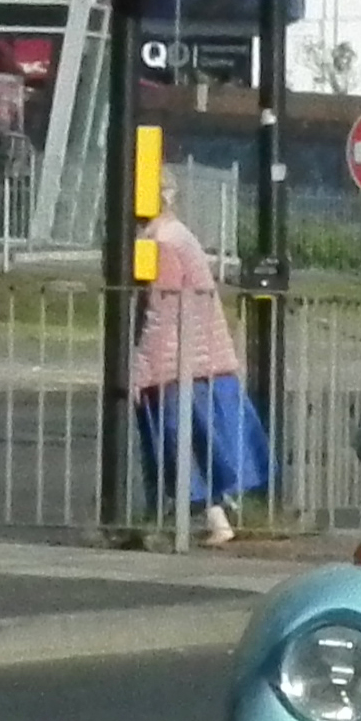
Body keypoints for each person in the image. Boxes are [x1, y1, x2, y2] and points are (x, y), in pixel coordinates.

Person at [131, 168, 270, 544]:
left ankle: (182, 522)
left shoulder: (161, 243)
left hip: (178, 364)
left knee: (178, 445)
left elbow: (162, 312)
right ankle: (216, 518)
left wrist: (139, 370)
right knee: (197, 444)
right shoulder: (179, 236)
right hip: (203, 359)